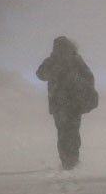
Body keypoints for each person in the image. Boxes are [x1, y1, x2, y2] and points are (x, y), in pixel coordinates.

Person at [36, 36, 97, 170]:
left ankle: (69, 160)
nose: (59, 51)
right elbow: (41, 74)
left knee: (66, 132)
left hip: (67, 104)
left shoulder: (69, 61)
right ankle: (69, 160)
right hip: (67, 104)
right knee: (69, 131)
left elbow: (40, 74)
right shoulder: (62, 61)